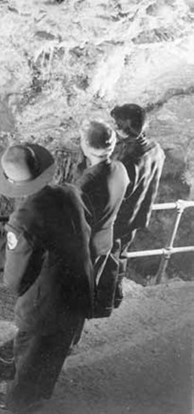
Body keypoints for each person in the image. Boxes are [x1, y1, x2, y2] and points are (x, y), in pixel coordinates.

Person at [0, 143, 94, 412]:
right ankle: (41, 392)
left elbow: (15, 277)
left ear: (12, 182)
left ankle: (16, 402)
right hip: (79, 286)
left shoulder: (23, 218)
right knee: (56, 347)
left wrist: (15, 289)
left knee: (29, 353)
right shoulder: (70, 191)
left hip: (46, 301)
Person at [72, 121, 129, 345]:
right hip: (105, 239)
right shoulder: (120, 169)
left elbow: (75, 216)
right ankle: (73, 336)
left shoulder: (86, 182)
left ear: (86, 146)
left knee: (74, 293)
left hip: (85, 246)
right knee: (88, 288)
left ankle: (67, 339)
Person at [110, 104, 165, 303]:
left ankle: (105, 298)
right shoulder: (156, 148)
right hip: (139, 213)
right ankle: (116, 294)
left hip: (120, 217)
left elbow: (118, 191)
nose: (114, 128)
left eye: (116, 125)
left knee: (109, 256)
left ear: (125, 129)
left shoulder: (129, 160)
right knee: (122, 253)